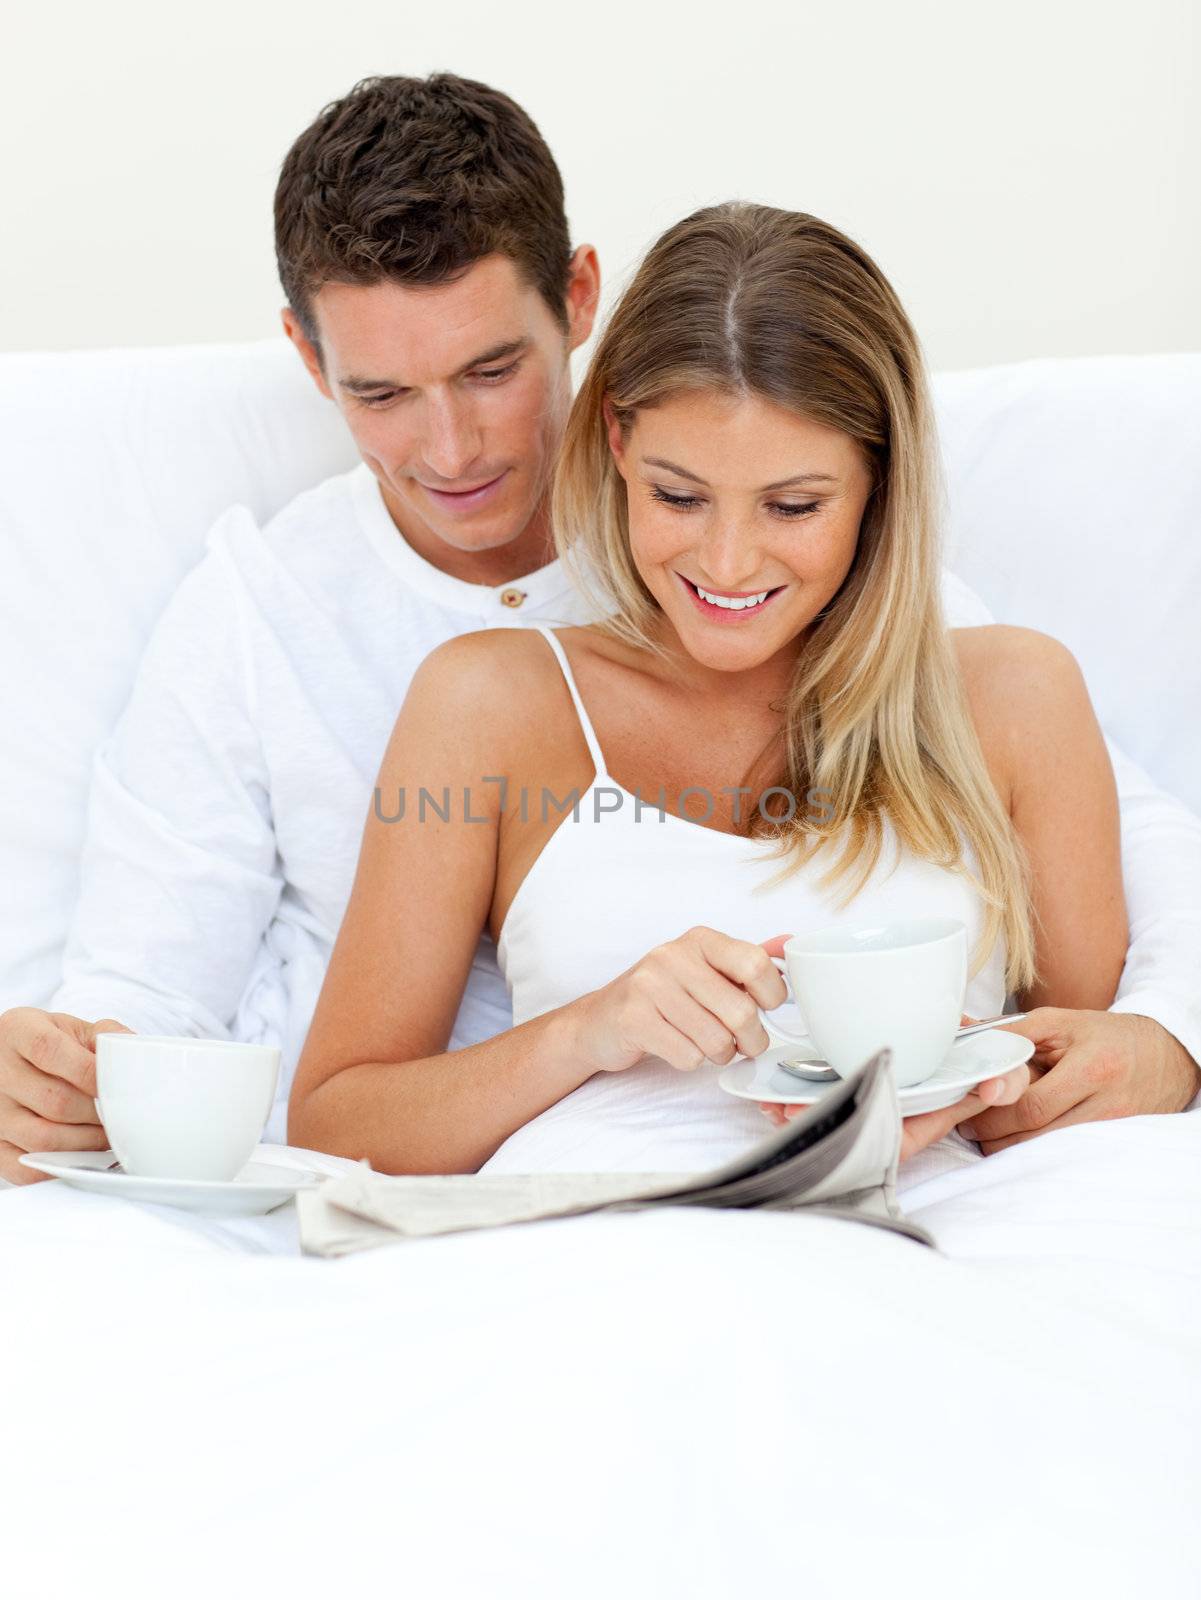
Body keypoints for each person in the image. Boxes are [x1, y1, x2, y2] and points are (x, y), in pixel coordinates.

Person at [1, 76, 1197, 1188]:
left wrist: (1164, 1042)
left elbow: (1119, 864)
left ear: (577, 303)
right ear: (306, 359)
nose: (451, 450)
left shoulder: (901, 623)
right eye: (380, 393)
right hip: (521, 1189)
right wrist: (63, 1074)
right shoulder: (295, 626)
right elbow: (158, 988)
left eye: (490, 370)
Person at [286, 200, 1160, 1184]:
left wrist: (1036, 1077)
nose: (728, 561)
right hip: (604, 1258)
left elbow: (1084, 1082)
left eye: (792, 505)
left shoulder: (1015, 697)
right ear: (614, 438)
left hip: (923, 1242)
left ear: (877, 478)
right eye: (678, 495)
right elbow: (333, 1122)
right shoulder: (489, 704)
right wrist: (588, 1032)